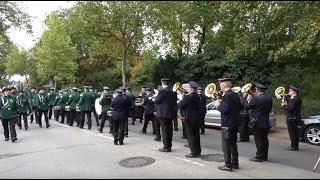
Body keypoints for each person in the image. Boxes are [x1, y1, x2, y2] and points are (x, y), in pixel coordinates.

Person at [216, 78, 241, 172]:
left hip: (227, 124)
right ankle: (235, 163)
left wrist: (218, 105)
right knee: (233, 144)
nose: (219, 86)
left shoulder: (226, 96)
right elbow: (239, 107)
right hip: (234, 123)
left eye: (220, 85)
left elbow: (224, 110)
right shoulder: (235, 94)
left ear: (224, 85)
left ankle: (228, 165)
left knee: (226, 145)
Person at [244, 82, 272, 162]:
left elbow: (246, 107)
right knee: (265, 139)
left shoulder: (256, 98)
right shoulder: (269, 97)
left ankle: (259, 157)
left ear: (258, 90)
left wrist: (248, 99)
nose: (255, 91)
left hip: (257, 122)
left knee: (258, 140)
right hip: (265, 121)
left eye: (255, 89)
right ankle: (264, 156)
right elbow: (269, 110)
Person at [178, 81, 202, 158]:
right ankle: (198, 152)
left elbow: (181, 106)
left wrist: (180, 99)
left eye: (188, 88)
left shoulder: (188, 97)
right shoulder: (198, 96)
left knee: (191, 136)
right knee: (196, 135)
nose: (187, 89)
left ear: (191, 89)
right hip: (197, 118)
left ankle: (193, 153)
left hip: (189, 118)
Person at [154, 78, 177, 152]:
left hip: (163, 114)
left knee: (164, 130)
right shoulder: (173, 91)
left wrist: (157, 95)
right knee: (169, 130)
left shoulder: (162, 91)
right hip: (170, 113)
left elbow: (157, 101)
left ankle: (166, 147)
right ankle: (169, 145)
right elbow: (174, 102)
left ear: (162, 83)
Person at [282, 85, 302, 151]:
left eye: (290, 90)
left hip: (292, 118)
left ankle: (294, 146)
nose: (289, 92)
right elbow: (291, 105)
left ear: (293, 92)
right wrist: (285, 99)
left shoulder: (294, 99)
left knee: (292, 133)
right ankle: (294, 145)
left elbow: (290, 108)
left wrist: (283, 106)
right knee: (294, 133)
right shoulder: (296, 98)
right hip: (295, 118)